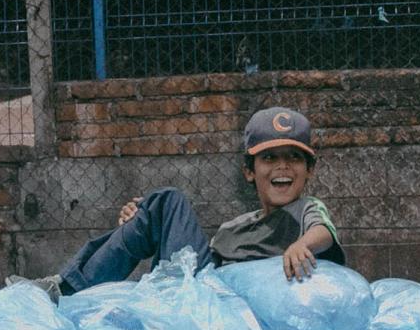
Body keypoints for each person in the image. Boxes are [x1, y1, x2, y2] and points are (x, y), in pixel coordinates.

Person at [53, 105, 341, 292]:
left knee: (167, 200)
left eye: (294, 158)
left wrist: (302, 245)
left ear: (310, 170)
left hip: (225, 308)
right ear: (249, 172)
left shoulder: (306, 209)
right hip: (204, 294)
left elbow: (323, 231)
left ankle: (68, 289)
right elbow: (196, 262)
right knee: (158, 207)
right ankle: (69, 291)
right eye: (269, 158)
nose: (283, 166)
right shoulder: (233, 228)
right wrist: (139, 222)